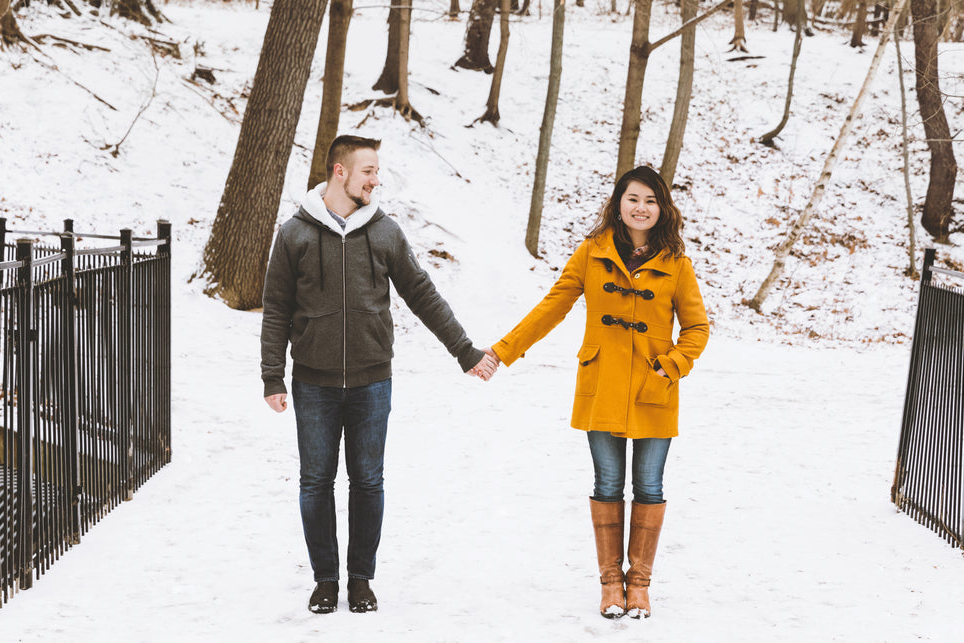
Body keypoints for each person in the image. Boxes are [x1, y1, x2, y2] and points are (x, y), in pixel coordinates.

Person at [260, 134, 498, 615]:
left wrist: (464, 350)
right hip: (313, 383)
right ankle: (326, 581)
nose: (376, 179)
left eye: (376, 171)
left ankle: (361, 581)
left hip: (372, 382)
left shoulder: (385, 232)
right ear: (340, 171)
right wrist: (272, 375)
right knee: (315, 484)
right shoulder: (295, 234)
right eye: (368, 170)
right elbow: (276, 309)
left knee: (368, 483)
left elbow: (422, 294)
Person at [486, 166, 709, 619]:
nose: (641, 208)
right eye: (633, 199)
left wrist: (670, 368)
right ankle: (611, 584)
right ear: (618, 203)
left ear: (662, 208)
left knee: (649, 485)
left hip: (654, 388)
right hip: (602, 385)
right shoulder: (591, 254)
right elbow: (553, 306)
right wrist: (503, 350)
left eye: (650, 200)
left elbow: (697, 328)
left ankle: (640, 586)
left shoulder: (676, 264)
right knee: (607, 482)